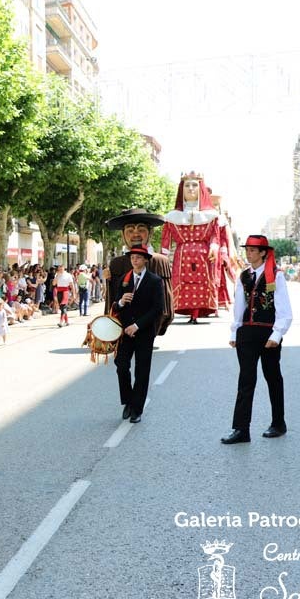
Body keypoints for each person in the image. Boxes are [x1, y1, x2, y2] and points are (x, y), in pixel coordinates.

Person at [221, 235, 293, 444]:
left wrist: (277, 334)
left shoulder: (275, 276)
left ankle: (278, 423)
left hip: (268, 334)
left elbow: (284, 309)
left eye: (253, 250)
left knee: (273, 378)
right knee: (246, 380)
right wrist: (235, 332)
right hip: (246, 334)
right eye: (247, 249)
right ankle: (241, 429)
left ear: (263, 252)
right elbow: (239, 306)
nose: (249, 253)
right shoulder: (243, 276)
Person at [111, 246, 164, 424]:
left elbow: (157, 309)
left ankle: (137, 409)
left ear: (145, 260)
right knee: (121, 365)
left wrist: (137, 325)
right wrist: (120, 302)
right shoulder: (124, 279)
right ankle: (128, 400)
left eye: (138, 258)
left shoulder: (155, 281)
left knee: (142, 371)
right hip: (125, 332)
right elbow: (115, 305)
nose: (134, 260)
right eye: (132, 257)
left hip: (144, 332)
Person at [102, 208, 174, 336]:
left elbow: (165, 305)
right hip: (123, 328)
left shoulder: (159, 261)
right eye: (130, 230)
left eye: (141, 230)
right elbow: (112, 302)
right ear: (123, 235)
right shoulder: (116, 264)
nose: (135, 234)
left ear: (150, 233)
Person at [160, 171, 220, 324]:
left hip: (204, 255)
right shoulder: (172, 216)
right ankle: (187, 310)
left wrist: (214, 246)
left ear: (201, 189)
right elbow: (166, 239)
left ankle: (197, 312)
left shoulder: (211, 215)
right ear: (182, 189)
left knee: (202, 283)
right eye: (187, 185)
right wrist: (162, 257)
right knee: (183, 283)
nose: (191, 188)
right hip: (182, 256)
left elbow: (215, 234)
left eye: (195, 185)